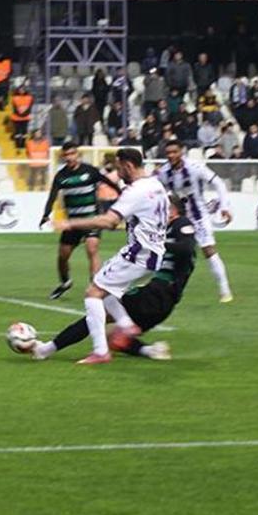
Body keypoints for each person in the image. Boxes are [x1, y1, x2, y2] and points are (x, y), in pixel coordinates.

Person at [23, 194, 194, 362]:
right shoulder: (163, 230)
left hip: (157, 295)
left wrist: (154, 245)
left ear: (172, 211)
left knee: (97, 306)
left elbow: (186, 248)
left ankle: (46, 350)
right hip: (162, 301)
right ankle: (150, 350)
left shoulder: (181, 223)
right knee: (113, 337)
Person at [51, 147, 168, 364]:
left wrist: (70, 223)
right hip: (154, 254)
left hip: (138, 254)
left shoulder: (135, 191)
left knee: (93, 293)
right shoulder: (156, 185)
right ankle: (126, 324)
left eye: (119, 168)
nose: (117, 173)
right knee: (104, 285)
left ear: (128, 166)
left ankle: (100, 351)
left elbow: (109, 221)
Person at [40, 142, 121, 300]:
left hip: (92, 219)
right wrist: (46, 214)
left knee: (92, 249)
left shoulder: (89, 170)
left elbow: (108, 182)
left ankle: (95, 287)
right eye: (66, 155)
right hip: (73, 223)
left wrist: (122, 193)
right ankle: (65, 282)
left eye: (72, 154)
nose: (70, 157)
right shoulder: (61, 176)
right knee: (63, 256)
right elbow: (52, 196)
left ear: (78, 155)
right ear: (63, 157)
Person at [156, 139, 233, 302]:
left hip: (198, 217)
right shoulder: (164, 172)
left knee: (209, 250)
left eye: (174, 152)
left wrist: (224, 206)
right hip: (178, 220)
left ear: (181, 152)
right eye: (168, 153)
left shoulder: (195, 167)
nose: (171, 155)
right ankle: (165, 287)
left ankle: (225, 290)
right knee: (169, 251)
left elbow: (219, 183)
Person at [10, 86, 33, 152]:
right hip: (16, 118)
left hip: (25, 118)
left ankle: (23, 144)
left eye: (23, 89)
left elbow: (30, 108)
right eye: (20, 89)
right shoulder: (14, 98)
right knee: (17, 132)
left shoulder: (29, 97)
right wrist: (21, 114)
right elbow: (14, 108)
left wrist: (24, 114)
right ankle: (17, 145)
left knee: (24, 132)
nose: (21, 91)